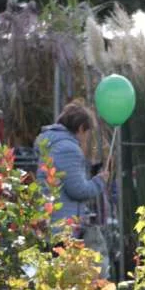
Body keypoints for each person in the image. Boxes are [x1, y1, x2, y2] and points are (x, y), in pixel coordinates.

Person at [35, 100, 108, 235]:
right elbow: (78, 190)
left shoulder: (51, 143)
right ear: (80, 128)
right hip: (61, 228)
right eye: (87, 132)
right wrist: (100, 181)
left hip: (48, 222)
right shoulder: (69, 149)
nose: (86, 138)